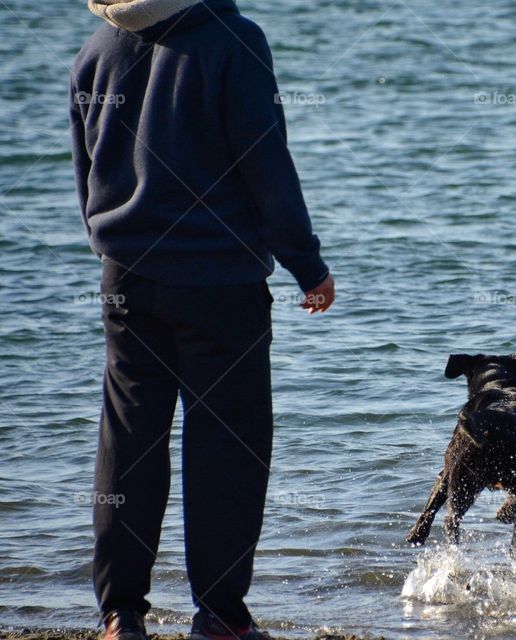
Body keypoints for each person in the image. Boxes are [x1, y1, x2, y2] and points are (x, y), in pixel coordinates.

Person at [69, 0, 335, 638]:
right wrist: (306, 262)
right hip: (221, 283)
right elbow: (265, 161)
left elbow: (87, 173)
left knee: (129, 443)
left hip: (127, 280)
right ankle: (218, 614)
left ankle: (119, 614)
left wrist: (114, 244)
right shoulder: (233, 40)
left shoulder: (97, 50)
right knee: (227, 448)